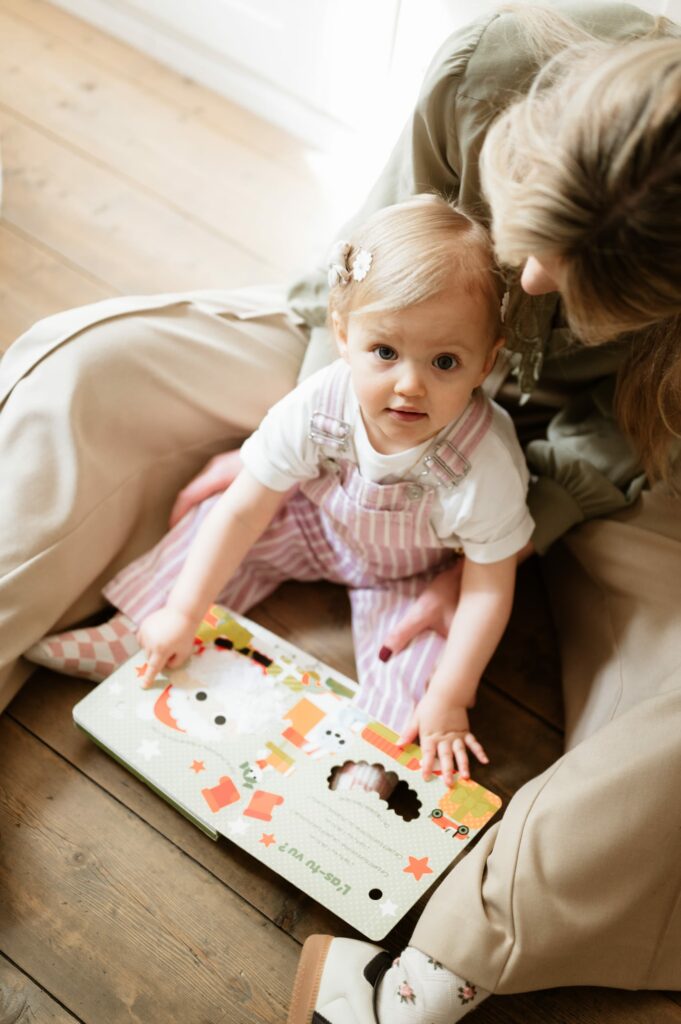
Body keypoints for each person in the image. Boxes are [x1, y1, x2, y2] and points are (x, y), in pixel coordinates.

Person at [0, 1, 679, 1020]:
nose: (532, 282)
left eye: (580, 287)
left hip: (608, 446)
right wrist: (316, 435)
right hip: (377, 374)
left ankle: (438, 961)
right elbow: (359, 298)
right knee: (82, 369)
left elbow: (624, 440)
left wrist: (490, 548)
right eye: (530, 237)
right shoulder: (493, 64)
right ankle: (95, 622)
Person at [27, 196, 534, 785]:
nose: (409, 385)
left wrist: (454, 693)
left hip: (412, 576)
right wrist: (185, 610)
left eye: (444, 361)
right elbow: (245, 510)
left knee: (420, 664)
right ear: (343, 336)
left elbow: (488, 591)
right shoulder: (321, 401)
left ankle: (369, 765)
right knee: (217, 517)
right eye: (385, 352)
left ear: (486, 364)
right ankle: (138, 634)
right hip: (313, 526)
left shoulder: (483, 460)